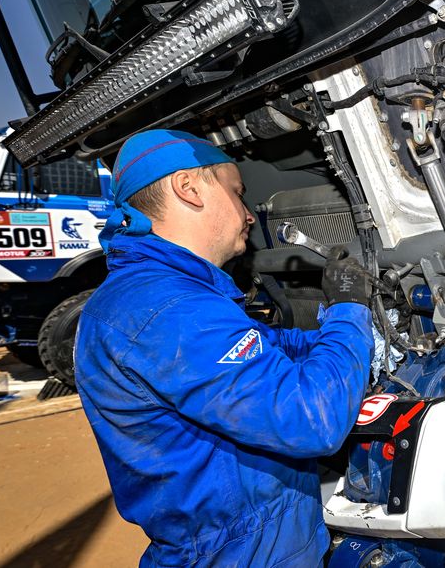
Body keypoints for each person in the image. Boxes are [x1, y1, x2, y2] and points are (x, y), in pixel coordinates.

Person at [75, 129, 375, 567]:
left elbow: (270, 346)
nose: (249, 214)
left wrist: (341, 338)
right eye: (237, 193)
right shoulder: (170, 310)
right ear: (189, 187)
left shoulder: (161, 296)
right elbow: (312, 418)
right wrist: (350, 311)